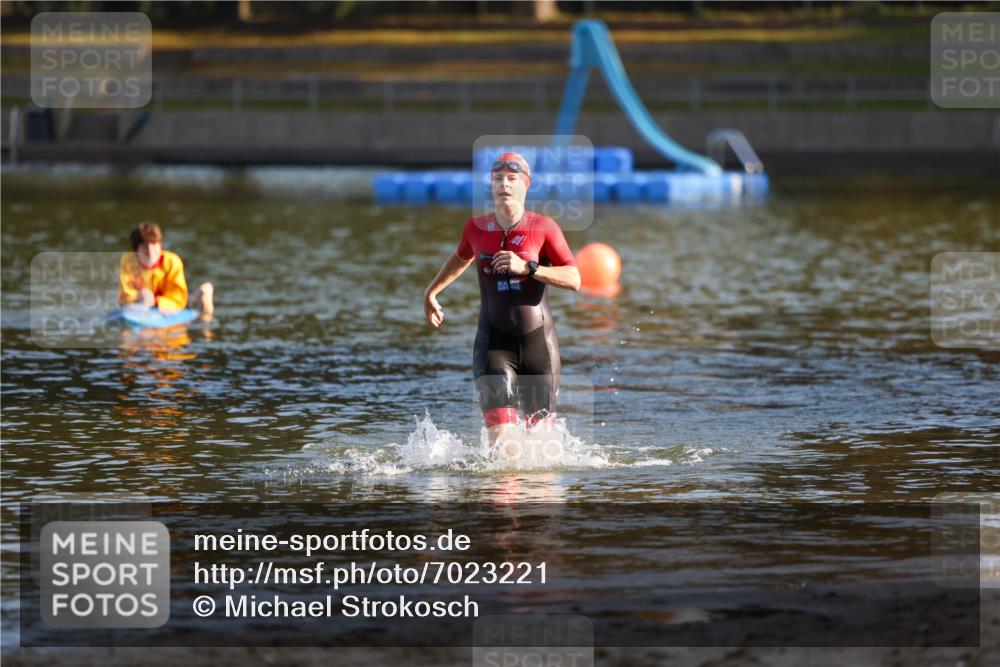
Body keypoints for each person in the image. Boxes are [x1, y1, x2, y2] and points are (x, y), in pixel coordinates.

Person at [423, 152, 581, 450]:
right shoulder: (475, 228)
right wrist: (431, 292)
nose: (504, 185)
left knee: (541, 449)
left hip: (540, 347)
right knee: (503, 447)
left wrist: (528, 268)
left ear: (526, 185)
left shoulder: (544, 228)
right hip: (493, 345)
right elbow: (461, 258)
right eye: (497, 179)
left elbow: (574, 279)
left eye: (511, 179)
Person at [119, 221, 214, 318]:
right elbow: (124, 293)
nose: (150, 251)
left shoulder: (172, 262)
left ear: (160, 245)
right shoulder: (128, 261)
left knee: (206, 290)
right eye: (145, 246)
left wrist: (156, 301)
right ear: (136, 249)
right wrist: (138, 296)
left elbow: (178, 298)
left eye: (154, 244)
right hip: (141, 303)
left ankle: (206, 325)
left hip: (178, 302)